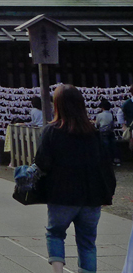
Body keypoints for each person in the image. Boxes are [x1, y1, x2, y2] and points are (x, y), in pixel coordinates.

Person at [35, 84, 115, 273]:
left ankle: (58, 271)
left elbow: (42, 163)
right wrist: (107, 192)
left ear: (58, 105)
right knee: (87, 242)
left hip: (61, 194)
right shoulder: (93, 133)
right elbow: (105, 165)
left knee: (55, 233)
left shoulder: (52, 131)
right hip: (91, 195)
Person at [95, 98, 121, 167]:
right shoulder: (111, 114)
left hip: (103, 132)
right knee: (113, 146)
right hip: (110, 131)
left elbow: (97, 124)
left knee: (105, 147)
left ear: (102, 107)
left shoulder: (99, 115)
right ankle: (115, 160)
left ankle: (106, 161)